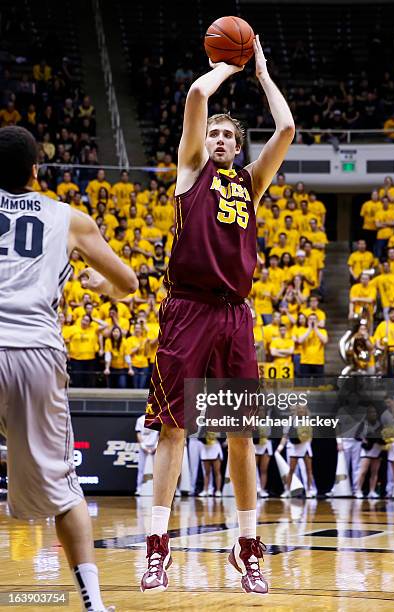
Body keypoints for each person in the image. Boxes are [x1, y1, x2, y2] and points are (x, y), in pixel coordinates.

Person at [141, 36, 295, 595]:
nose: (223, 138)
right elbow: (195, 95)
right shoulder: (191, 172)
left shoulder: (251, 184)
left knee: (241, 437)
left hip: (236, 316)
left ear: (239, 145)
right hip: (187, 309)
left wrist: (262, 74)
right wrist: (226, 66)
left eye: (231, 135)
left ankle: (247, 546)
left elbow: (286, 131)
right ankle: (158, 547)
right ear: (203, 142)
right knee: (174, 431)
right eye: (215, 133)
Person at [0, 126, 138, 612]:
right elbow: (130, 283)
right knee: (65, 491)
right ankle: (94, 605)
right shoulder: (68, 218)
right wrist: (103, 287)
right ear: (36, 170)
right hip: (33, 351)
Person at [135, 412, 159, 496]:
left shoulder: (158, 419)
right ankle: (139, 488)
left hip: (155, 447)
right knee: (141, 468)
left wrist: (155, 447)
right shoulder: (140, 420)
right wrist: (144, 447)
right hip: (143, 447)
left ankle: (157, 490)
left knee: (157, 470)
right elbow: (138, 434)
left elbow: (160, 435)